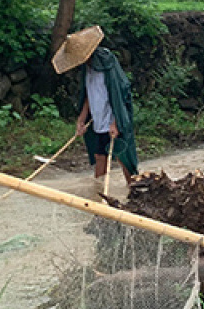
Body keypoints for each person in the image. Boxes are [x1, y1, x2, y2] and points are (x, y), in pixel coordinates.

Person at [52, 25, 139, 188]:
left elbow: (118, 93)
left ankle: (133, 189)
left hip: (114, 116)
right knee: (100, 155)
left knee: (122, 155)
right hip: (98, 118)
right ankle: (98, 192)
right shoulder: (87, 67)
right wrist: (82, 119)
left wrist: (115, 122)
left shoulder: (107, 62)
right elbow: (88, 96)